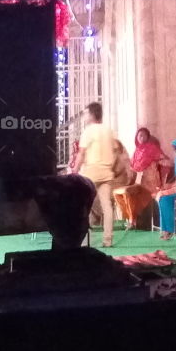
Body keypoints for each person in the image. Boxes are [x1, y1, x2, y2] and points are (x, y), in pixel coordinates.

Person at [71, 102, 117, 248]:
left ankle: (82, 239)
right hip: (107, 171)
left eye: (85, 113)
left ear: (91, 114)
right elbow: (116, 151)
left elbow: (81, 153)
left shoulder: (88, 131)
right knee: (107, 206)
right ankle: (107, 240)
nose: (84, 116)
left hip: (92, 171)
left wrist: (74, 171)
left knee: (82, 204)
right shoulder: (108, 130)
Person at [113, 128, 171, 229]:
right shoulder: (137, 151)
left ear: (148, 137)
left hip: (150, 180)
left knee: (140, 194)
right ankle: (133, 220)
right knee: (127, 194)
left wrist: (157, 165)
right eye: (139, 135)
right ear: (136, 137)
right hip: (138, 179)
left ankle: (141, 223)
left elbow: (165, 160)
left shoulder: (152, 148)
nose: (141, 137)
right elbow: (132, 166)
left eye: (144, 135)